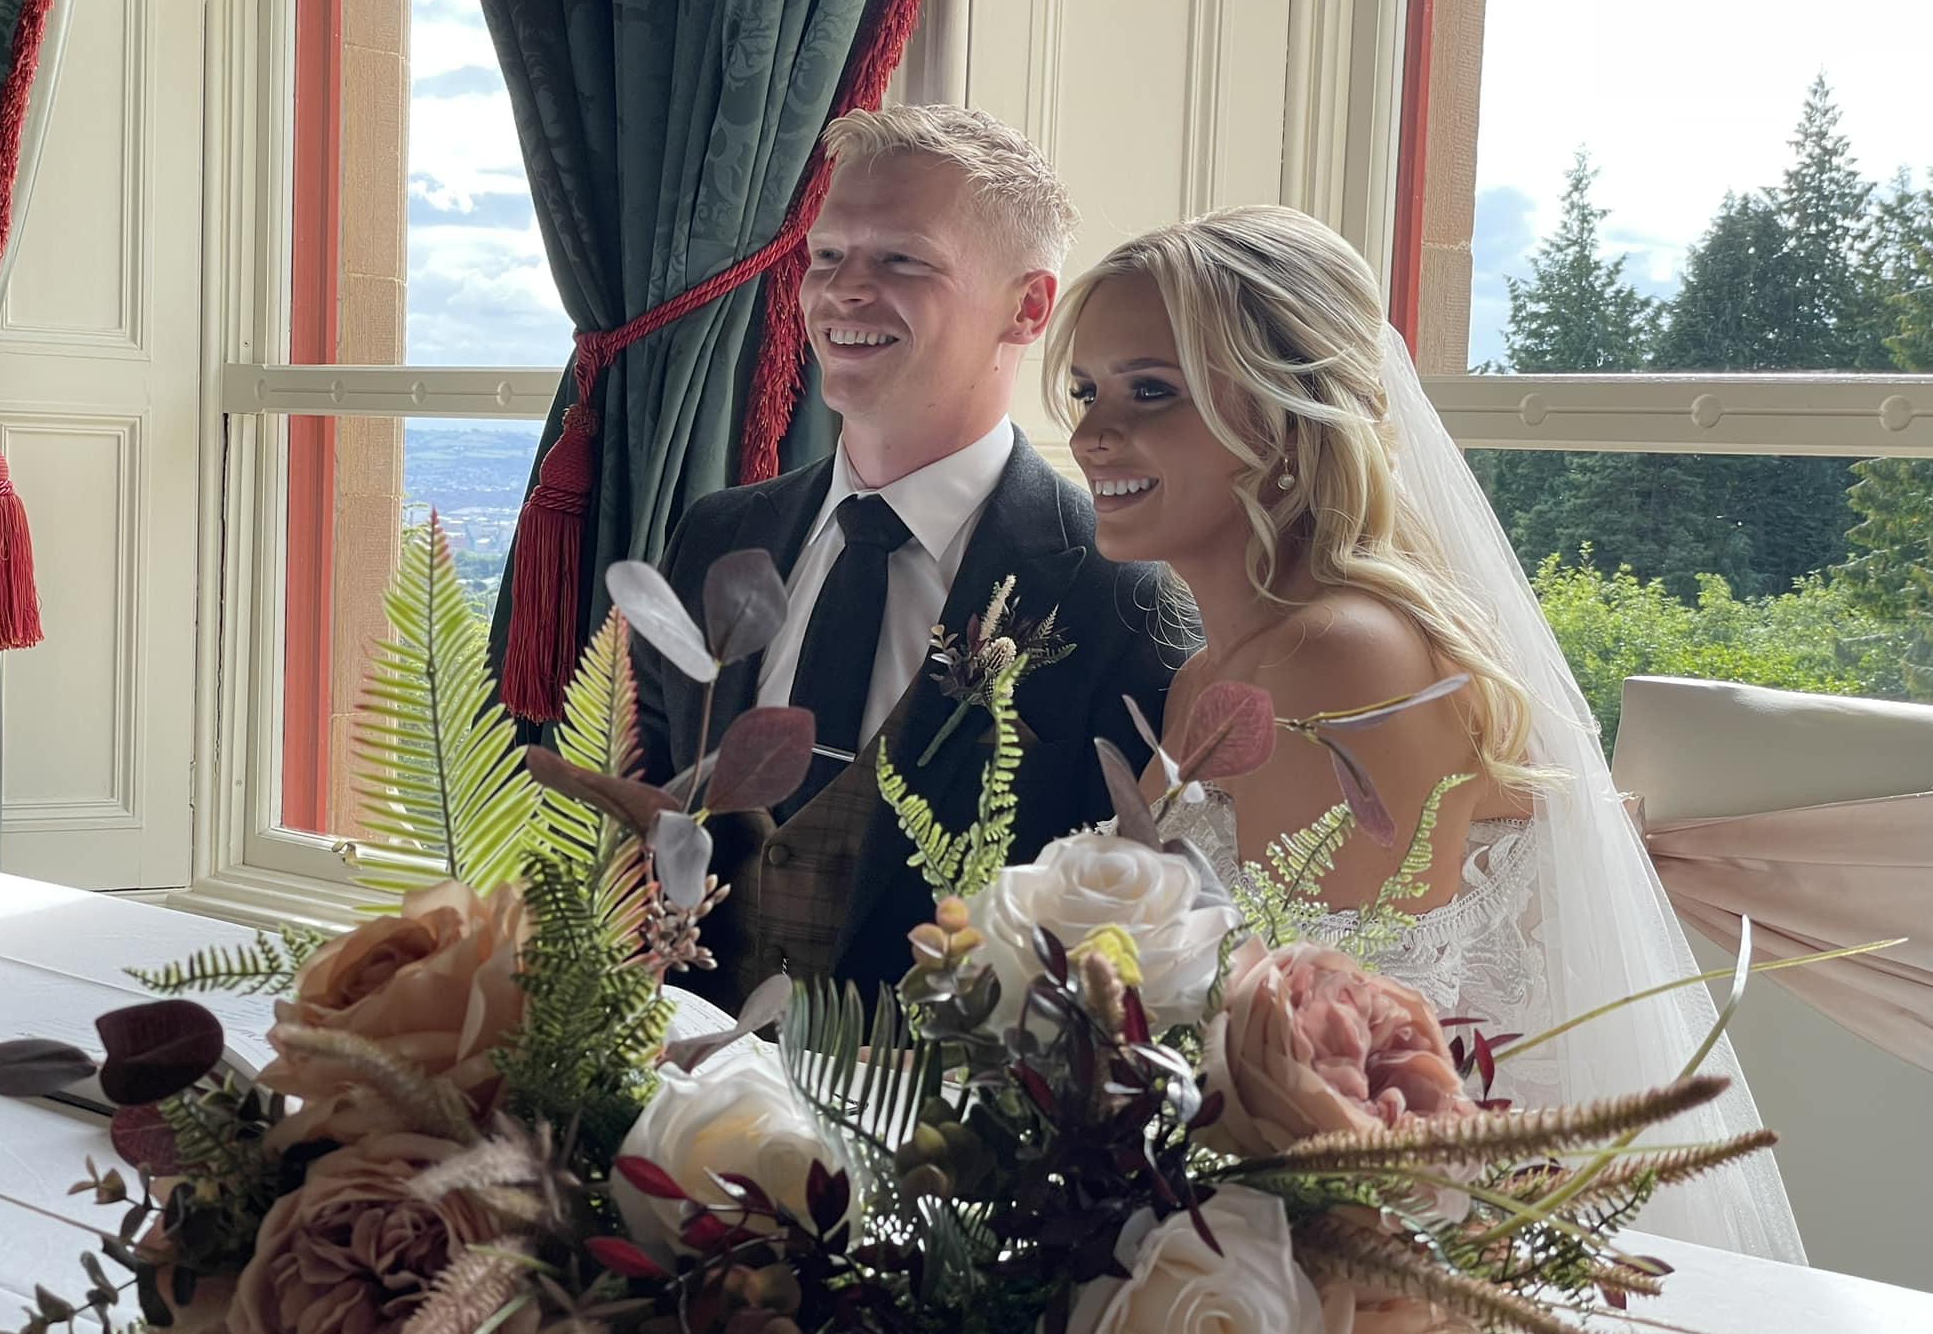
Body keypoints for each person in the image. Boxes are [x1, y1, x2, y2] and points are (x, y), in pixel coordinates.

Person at [1048, 204, 1803, 1264]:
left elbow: (1336, 1081)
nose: (1090, 435)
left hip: (1420, 1244)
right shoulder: (1211, 675)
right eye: (1087, 391)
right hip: (1262, 1209)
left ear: (1290, 416)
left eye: (1151, 391)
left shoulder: (1338, 659)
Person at [633, 104, 1182, 1011]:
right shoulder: (718, 536)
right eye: (826, 255)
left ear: (1028, 307)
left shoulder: (1122, 593)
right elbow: (637, 814)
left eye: (901, 260)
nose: (842, 290)